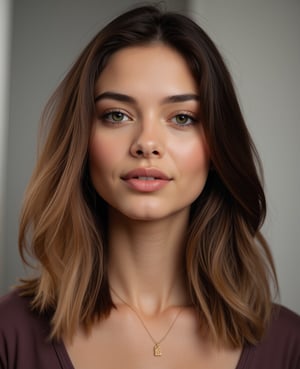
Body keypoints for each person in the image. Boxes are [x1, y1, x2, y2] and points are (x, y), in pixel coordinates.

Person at [0, 4, 299, 369]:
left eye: (182, 118)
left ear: (217, 145)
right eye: (117, 115)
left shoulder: (289, 345)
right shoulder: (9, 332)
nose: (146, 143)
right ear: (82, 139)